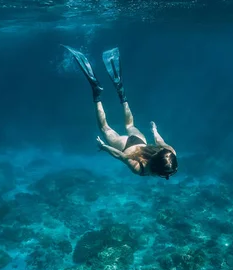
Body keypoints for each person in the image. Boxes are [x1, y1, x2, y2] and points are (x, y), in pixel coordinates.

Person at [64, 46, 178, 180]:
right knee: (104, 128)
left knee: (130, 125)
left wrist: (154, 130)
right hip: (124, 146)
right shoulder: (140, 168)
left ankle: (121, 94)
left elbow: (160, 141)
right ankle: (96, 93)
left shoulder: (170, 152)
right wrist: (103, 147)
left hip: (141, 140)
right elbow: (121, 156)